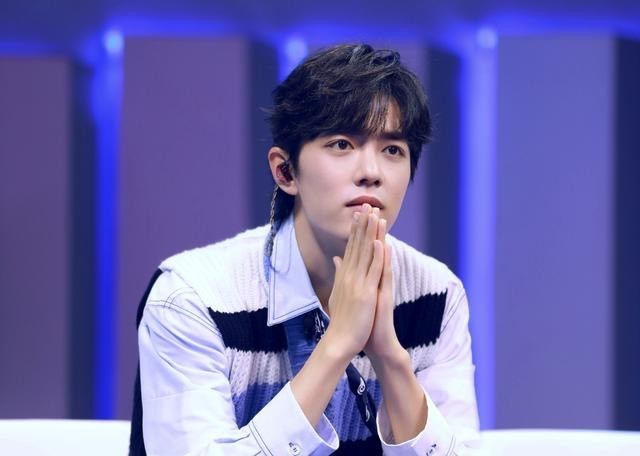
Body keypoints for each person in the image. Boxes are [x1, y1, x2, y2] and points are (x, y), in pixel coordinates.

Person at [129, 43, 480, 455]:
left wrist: (389, 355)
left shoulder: (436, 295)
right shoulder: (193, 297)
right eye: (342, 144)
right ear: (285, 171)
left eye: (392, 150)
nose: (371, 172)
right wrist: (338, 344)